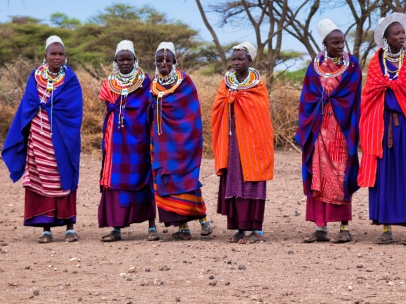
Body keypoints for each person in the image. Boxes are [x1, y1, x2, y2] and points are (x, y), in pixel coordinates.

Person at [357, 13, 406, 245]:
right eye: (396, 33)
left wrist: (394, 87)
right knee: (384, 176)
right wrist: (388, 88)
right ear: (385, 37)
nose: (401, 36)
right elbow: (369, 93)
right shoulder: (375, 61)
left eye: (402, 33)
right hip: (381, 126)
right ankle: (386, 227)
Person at [2, 36, 83, 243]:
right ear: (45, 56)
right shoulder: (35, 77)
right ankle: (45, 228)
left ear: (66, 56)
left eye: (61, 54)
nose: (57, 57)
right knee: (41, 179)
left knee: (65, 176)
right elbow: (28, 104)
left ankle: (70, 228)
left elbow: (74, 111)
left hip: (64, 137)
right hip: (39, 137)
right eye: (53, 54)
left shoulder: (70, 80)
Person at [296, 19, 362, 244]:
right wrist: (318, 105)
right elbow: (307, 96)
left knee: (341, 173)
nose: (340, 46)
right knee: (319, 175)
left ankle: (344, 227)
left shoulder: (352, 65)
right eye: (335, 42)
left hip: (342, 129)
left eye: (342, 42)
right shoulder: (314, 65)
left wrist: (333, 101)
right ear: (325, 43)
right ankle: (320, 227)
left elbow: (353, 96)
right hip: (317, 127)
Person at [211, 42, 274, 243]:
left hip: (253, 141)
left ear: (250, 60)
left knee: (253, 180)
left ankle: (256, 229)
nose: (236, 62)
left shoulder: (258, 85)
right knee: (234, 180)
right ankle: (239, 228)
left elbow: (260, 112)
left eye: (240, 59)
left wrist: (238, 99)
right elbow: (218, 107)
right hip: (231, 140)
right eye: (234, 59)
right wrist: (230, 99)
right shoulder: (226, 83)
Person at [149, 42, 212, 240]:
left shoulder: (185, 82)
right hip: (161, 141)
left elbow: (191, 114)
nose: (163, 64)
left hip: (184, 140)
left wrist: (184, 134)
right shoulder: (153, 84)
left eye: (167, 60)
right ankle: (182, 227)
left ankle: (203, 219)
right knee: (167, 180)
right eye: (159, 60)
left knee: (187, 179)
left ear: (175, 61)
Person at [98, 40, 158, 242]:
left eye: (129, 59)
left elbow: (148, 108)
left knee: (144, 176)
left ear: (135, 60)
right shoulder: (109, 83)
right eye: (121, 59)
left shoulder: (145, 82)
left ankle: (151, 226)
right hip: (115, 139)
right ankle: (116, 227)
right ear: (115, 61)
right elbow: (109, 106)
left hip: (139, 137)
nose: (125, 63)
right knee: (115, 180)